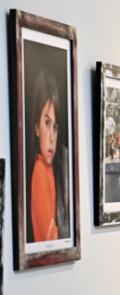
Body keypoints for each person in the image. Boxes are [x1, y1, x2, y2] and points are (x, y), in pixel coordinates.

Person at [28, 71, 67, 242]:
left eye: (55, 127)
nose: (52, 137)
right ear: (36, 127)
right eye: (47, 123)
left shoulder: (53, 170)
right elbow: (51, 239)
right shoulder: (40, 171)